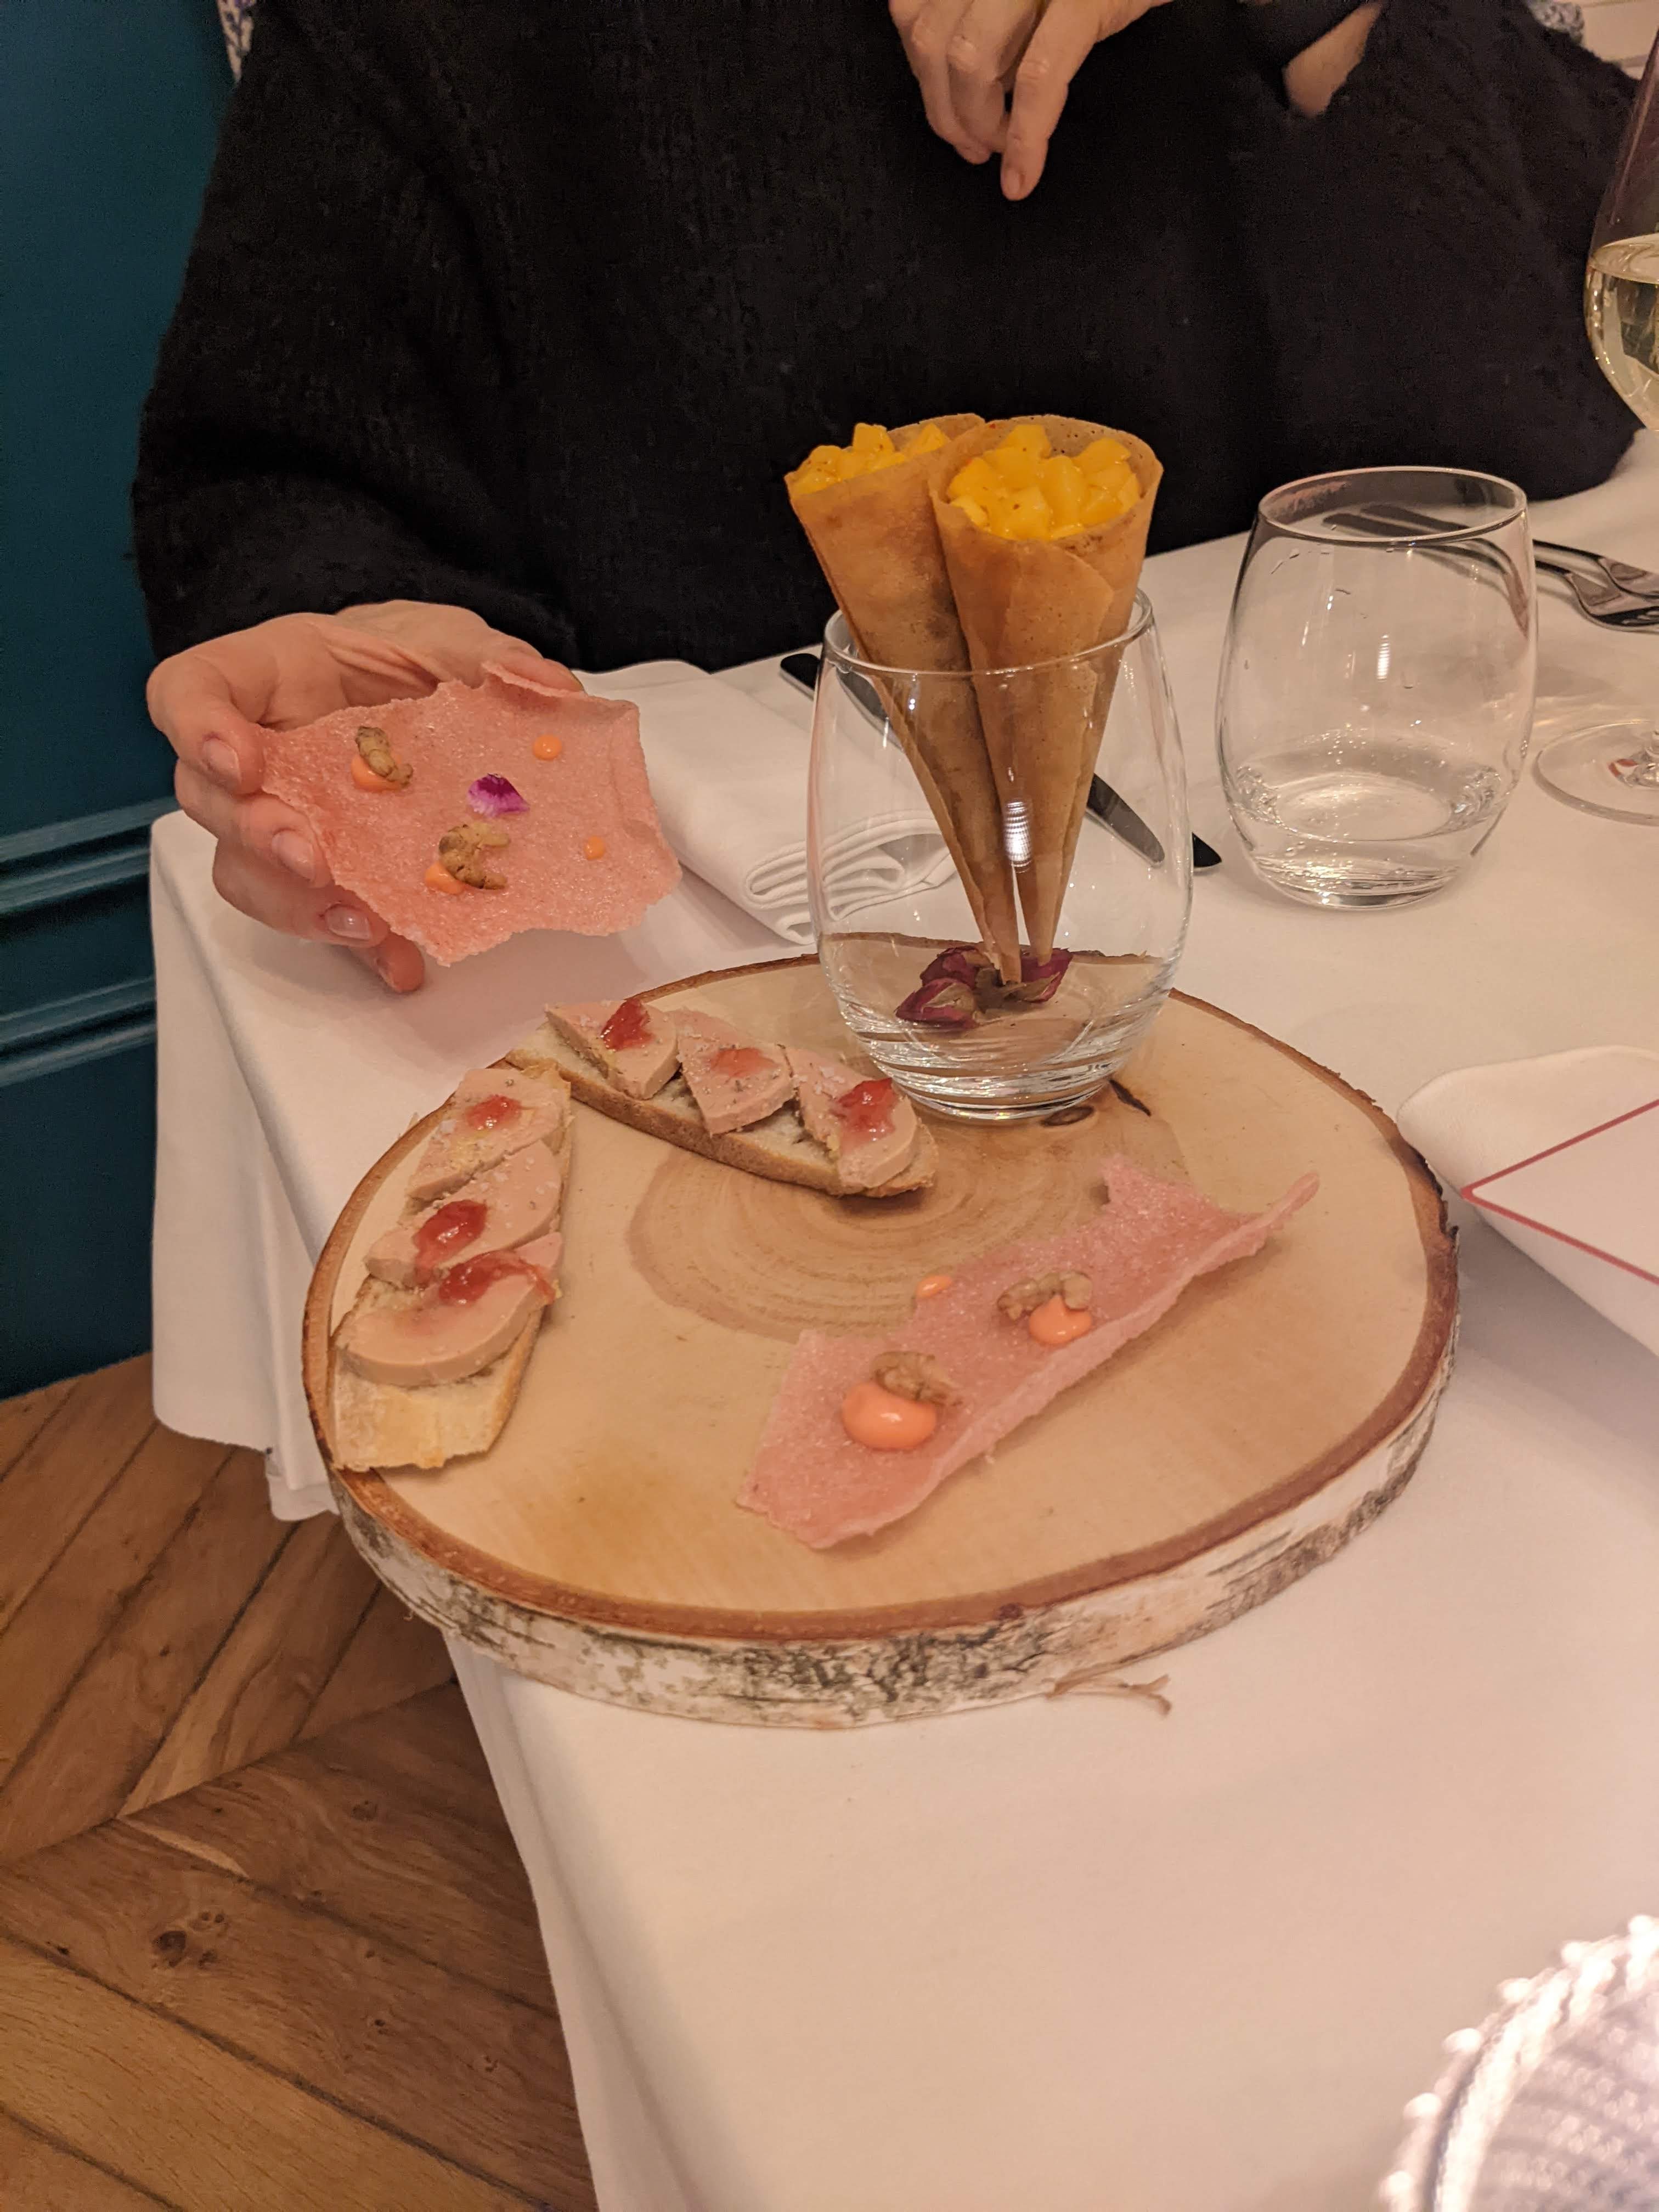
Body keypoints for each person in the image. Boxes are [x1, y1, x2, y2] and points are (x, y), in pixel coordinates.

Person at [138, 0, 1635, 992]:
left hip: (1361, 906)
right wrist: (362, 645)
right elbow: (289, 478)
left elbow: (1551, 415)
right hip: (731, 985)